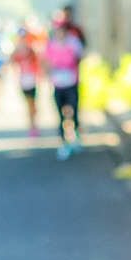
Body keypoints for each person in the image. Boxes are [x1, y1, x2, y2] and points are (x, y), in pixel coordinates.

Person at [44, 21, 84, 161]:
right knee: (60, 113)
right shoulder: (51, 45)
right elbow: (47, 63)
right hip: (58, 84)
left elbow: (78, 58)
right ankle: (64, 141)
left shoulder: (73, 43)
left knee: (73, 110)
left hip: (71, 82)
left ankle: (76, 137)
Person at [11, 28, 42, 137]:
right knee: (28, 103)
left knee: (33, 103)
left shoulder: (31, 49)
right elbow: (12, 63)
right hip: (23, 79)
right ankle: (32, 125)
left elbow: (37, 64)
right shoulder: (16, 50)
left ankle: (34, 125)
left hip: (31, 78)